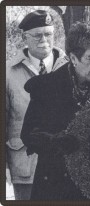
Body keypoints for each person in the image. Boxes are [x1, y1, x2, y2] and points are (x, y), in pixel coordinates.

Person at [20, 22, 90, 200]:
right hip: (55, 184)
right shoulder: (46, 87)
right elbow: (28, 134)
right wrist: (54, 141)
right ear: (73, 58)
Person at [6, 10, 67, 200]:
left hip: (65, 166)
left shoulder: (69, 67)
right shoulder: (8, 73)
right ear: (25, 37)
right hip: (25, 167)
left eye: (48, 34)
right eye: (37, 35)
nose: (44, 40)